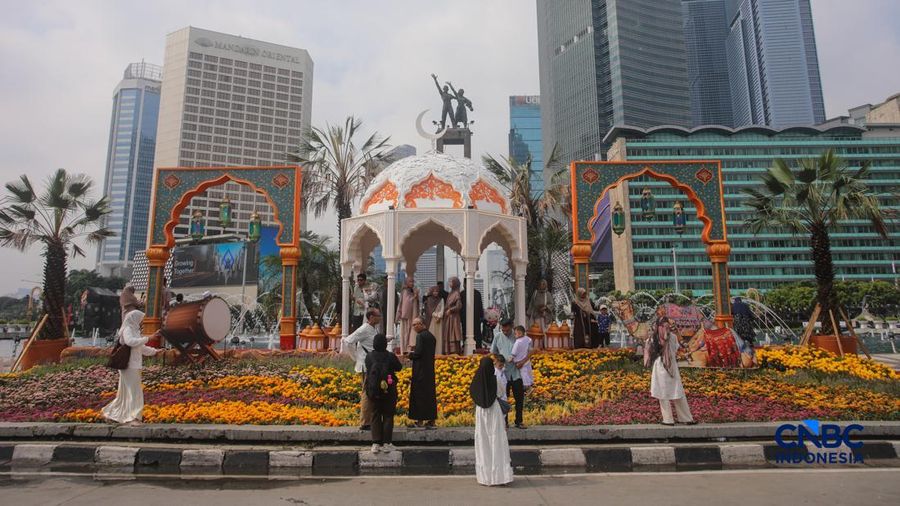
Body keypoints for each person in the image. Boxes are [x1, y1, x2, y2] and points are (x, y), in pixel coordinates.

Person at [101, 309, 160, 423]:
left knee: (125, 394)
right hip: (129, 366)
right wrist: (149, 338)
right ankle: (134, 417)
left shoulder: (135, 331)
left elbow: (140, 347)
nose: (141, 322)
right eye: (140, 320)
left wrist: (155, 351)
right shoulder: (127, 329)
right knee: (135, 392)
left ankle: (111, 413)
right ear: (134, 319)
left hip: (133, 365)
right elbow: (130, 342)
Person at [470, 355, 514, 486]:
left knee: (483, 441)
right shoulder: (495, 380)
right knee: (497, 440)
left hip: (481, 413)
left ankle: (485, 477)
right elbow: (501, 393)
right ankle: (499, 477)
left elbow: (473, 394)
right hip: (494, 411)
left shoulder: (476, 382)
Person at [650, 316, 696, 426]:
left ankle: (668, 420)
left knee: (663, 393)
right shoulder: (673, 337)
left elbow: (651, 352)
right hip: (672, 366)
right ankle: (686, 418)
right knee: (678, 391)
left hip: (660, 366)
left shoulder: (654, 338)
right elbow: (675, 349)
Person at [342, 307, 381, 430]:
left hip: (373, 365)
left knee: (371, 392)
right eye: (377, 316)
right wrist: (356, 357)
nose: (380, 318)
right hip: (366, 366)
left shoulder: (373, 329)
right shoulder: (364, 329)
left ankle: (370, 420)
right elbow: (348, 341)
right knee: (367, 393)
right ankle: (365, 422)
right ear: (371, 317)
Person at [365, 333, 403, 453]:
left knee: (375, 414)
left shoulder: (369, 356)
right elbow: (399, 367)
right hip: (389, 389)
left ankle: (376, 443)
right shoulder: (390, 356)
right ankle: (387, 443)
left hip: (374, 390)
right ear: (385, 344)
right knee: (388, 415)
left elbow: (368, 368)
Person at [489, 319, 520, 428]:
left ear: (512, 326)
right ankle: (504, 422)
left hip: (516, 372)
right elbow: (493, 352)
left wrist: (522, 361)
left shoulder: (517, 336)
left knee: (519, 398)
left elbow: (527, 350)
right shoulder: (498, 336)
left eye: (507, 330)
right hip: (503, 374)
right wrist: (499, 361)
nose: (505, 332)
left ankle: (519, 421)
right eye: (503, 330)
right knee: (502, 399)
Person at [407, 318, 437, 428]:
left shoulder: (420, 336)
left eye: (415, 324)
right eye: (413, 325)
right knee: (429, 395)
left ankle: (419, 421)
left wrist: (410, 355)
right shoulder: (431, 336)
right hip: (429, 370)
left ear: (421, 324)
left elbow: (418, 353)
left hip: (420, 371)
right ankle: (432, 421)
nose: (414, 327)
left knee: (419, 395)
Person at [509, 325, 532, 429]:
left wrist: (510, 359)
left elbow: (513, 353)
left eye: (517, 333)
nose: (516, 335)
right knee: (527, 373)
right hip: (525, 362)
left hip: (518, 362)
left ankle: (519, 421)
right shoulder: (527, 339)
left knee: (524, 375)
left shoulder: (517, 342)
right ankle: (528, 386)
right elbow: (530, 345)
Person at [395, 277, 420, 353]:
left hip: (412, 316)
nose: (412, 283)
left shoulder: (410, 291)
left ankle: (409, 349)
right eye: (410, 282)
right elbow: (406, 303)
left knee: (410, 334)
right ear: (406, 282)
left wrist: (416, 296)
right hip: (406, 317)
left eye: (413, 282)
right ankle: (405, 350)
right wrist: (415, 296)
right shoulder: (405, 291)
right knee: (406, 334)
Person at [461, 281, 485, 349]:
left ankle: (467, 346)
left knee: (466, 332)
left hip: (465, 318)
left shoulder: (462, 293)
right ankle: (478, 346)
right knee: (476, 332)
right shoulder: (477, 293)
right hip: (475, 317)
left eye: (464, 284)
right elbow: (480, 306)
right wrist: (481, 316)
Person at [442, 277, 463, 354]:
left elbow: (459, 306)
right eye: (449, 282)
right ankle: (448, 350)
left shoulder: (456, 293)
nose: (450, 284)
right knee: (448, 333)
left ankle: (454, 351)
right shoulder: (451, 293)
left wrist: (450, 310)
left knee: (453, 334)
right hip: (448, 317)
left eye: (451, 282)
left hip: (453, 317)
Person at [423, 286, 444, 354]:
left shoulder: (441, 299)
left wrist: (440, 316)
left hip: (439, 321)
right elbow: (429, 311)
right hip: (432, 320)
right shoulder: (429, 300)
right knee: (432, 335)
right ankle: (431, 352)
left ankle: (439, 352)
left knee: (439, 336)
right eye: (434, 291)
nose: (435, 293)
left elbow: (442, 309)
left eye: (437, 291)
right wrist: (436, 315)